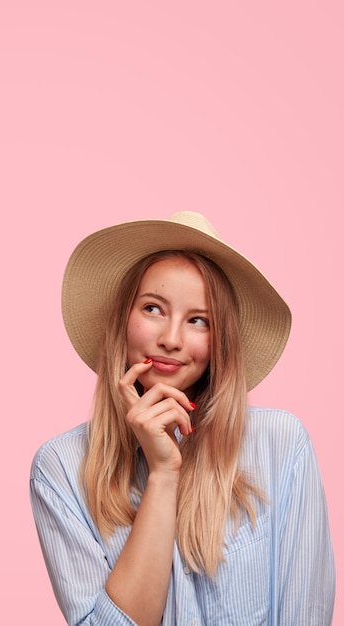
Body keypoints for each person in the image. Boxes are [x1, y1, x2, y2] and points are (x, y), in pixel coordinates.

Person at [29, 212, 335, 626]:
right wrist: (163, 474)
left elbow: (307, 613)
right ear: (122, 320)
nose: (171, 338)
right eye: (153, 308)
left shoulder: (280, 443)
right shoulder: (61, 468)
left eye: (197, 321)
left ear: (219, 341)